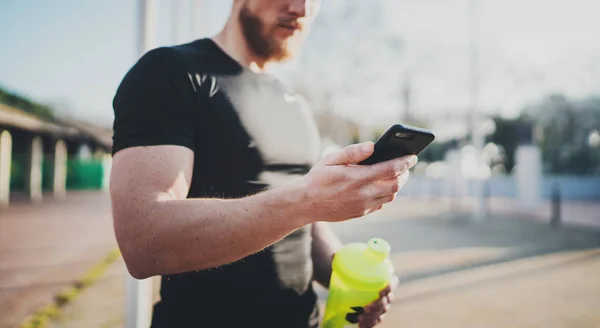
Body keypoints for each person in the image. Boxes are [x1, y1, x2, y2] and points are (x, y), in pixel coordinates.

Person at [110, 0, 416, 327]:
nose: (301, 8)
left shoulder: (294, 102)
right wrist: (307, 200)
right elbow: (144, 241)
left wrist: (346, 275)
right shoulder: (170, 71)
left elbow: (303, 223)